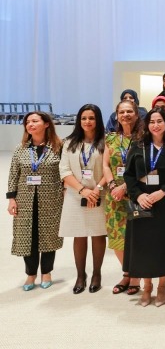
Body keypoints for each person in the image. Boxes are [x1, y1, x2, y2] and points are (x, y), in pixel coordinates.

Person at [123, 108, 165, 307]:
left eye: (159, 121)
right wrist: (139, 195)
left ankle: (162, 287)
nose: (156, 125)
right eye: (152, 121)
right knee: (144, 246)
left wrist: (162, 192)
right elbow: (129, 176)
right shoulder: (138, 146)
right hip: (143, 203)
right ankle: (147, 286)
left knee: (164, 245)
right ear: (146, 125)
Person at [6, 112, 64, 291]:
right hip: (25, 199)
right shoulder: (21, 148)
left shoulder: (58, 147)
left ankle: (46, 272)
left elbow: (65, 172)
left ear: (46, 124)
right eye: (27, 122)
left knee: (48, 235)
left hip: (51, 198)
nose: (30, 124)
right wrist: (12, 199)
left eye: (34, 121)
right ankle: (30, 274)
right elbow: (13, 174)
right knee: (27, 236)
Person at [59, 104, 108, 294]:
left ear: (98, 120)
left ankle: (97, 274)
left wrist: (96, 189)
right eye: (84, 118)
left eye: (92, 118)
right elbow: (64, 170)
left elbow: (109, 168)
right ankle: (81, 275)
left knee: (98, 233)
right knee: (79, 234)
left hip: (99, 192)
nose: (87, 122)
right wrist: (82, 191)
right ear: (79, 121)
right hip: (75, 194)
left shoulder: (106, 141)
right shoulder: (69, 142)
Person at [102, 99, 143, 295]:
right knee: (117, 236)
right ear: (117, 116)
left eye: (129, 111)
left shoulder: (144, 138)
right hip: (114, 195)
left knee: (136, 236)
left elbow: (147, 168)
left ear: (136, 114)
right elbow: (105, 165)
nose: (125, 115)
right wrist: (112, 186)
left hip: (135, 193)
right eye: (121, 112)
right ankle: (126, 273)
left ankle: (136, 276)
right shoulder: (110, 138)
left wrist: (125, 186)